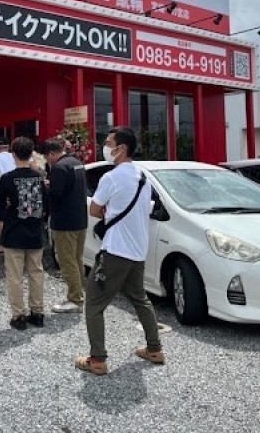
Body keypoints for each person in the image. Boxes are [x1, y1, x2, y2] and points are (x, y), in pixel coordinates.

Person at [76, 127, 163, 376]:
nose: (105, 147)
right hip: (137, 250)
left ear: (121, 148)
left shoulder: (111, 178)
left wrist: (107, 210)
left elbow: (94, 210)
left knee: (93, 301)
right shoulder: (144, 176)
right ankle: (154, 348)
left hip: (115, 251)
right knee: (139, 297)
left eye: (108, 142)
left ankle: (97, 359)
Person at [0, 137, 48, 330]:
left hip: (13, 232)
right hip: (35, 231)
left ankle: (19, 315)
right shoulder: (38, 178)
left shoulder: (7, 179)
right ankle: (38, 312)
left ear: (13, 154)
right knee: (36, 272)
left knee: (15, 275)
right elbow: (46, 205)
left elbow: (0, 207)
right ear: (31, 153)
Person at [44, 138, 88, 313]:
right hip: (80, 218)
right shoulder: (77, 163)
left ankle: (75, 299)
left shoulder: (59, 168)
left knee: (67, 260)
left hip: (65, 221)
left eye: (48, 158)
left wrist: (46, 186)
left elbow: (56, 194)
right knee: (77, 259)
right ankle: (80, 294)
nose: (48, 161)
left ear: (52, 154)